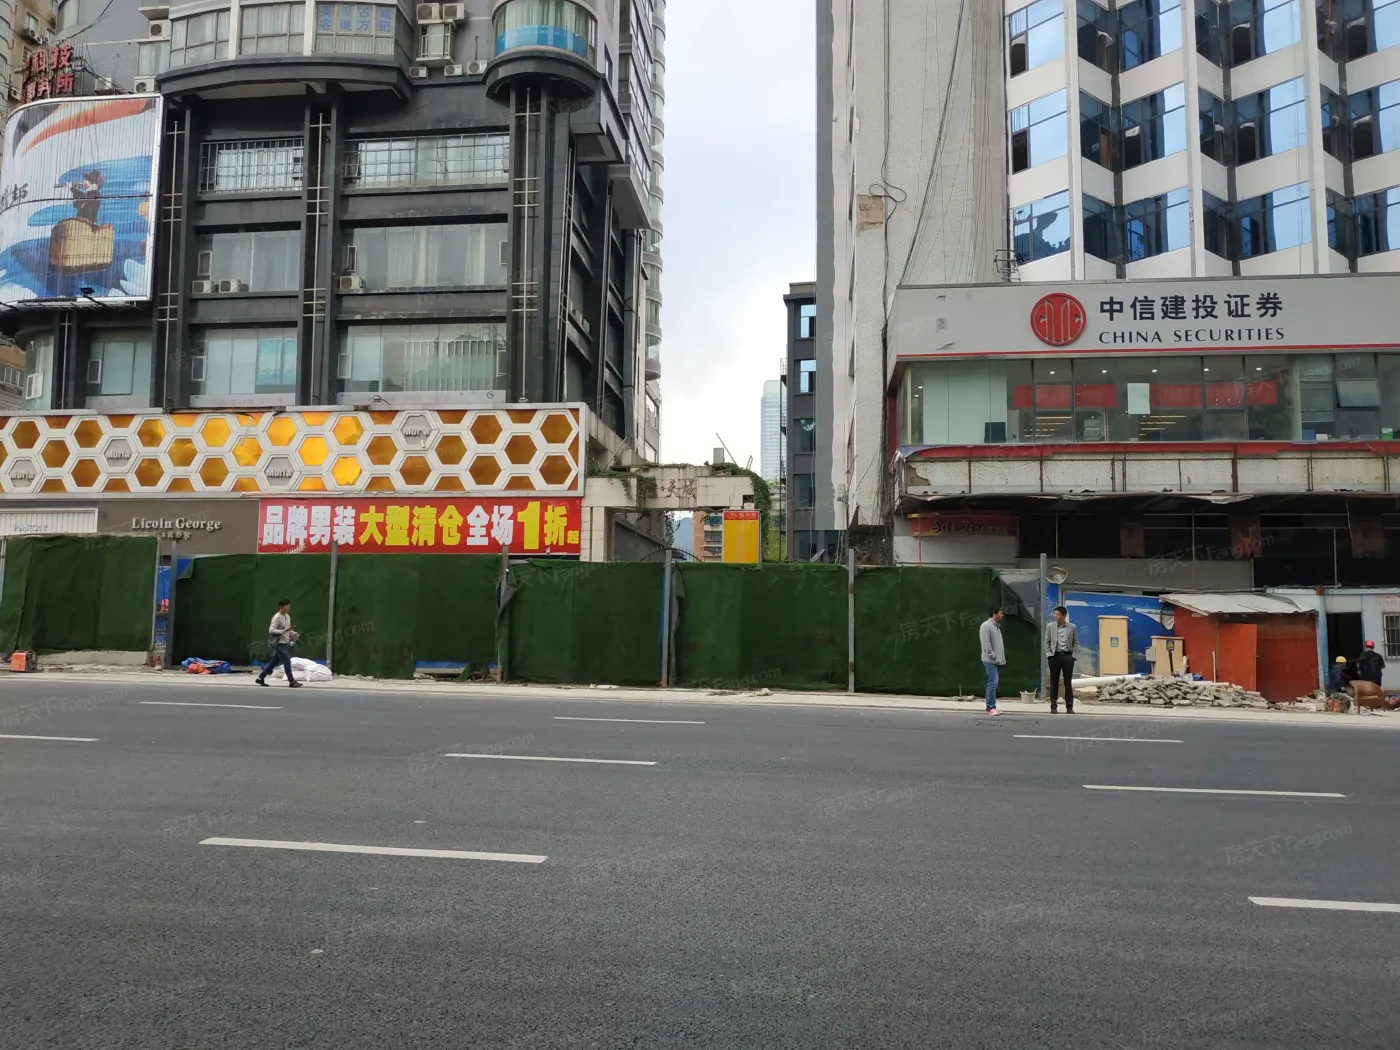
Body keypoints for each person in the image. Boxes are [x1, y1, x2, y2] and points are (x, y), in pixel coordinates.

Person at [255, 598, 301, 688]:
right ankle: (291, 681)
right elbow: (271, 630)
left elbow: (287, 630)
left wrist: (293, 633)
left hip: (285, 642)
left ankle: (260, 678)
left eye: (289, 606)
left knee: (274, 661)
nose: (288, 608)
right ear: (281, 607)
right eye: (286, 606)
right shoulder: (277, 617)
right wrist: (283, 631)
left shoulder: (287, 616)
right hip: (278, 643)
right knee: (287, 660)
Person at [1044, 605, 1078, 714]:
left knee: (1068, 682)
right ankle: (1053, 706)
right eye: (1055, 614)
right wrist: (1049, 654)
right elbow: (1046, 641)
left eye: (1058, 614)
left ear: (1064, 615)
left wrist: (1073, 656)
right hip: (1055, 656)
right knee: (1054, 682)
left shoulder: (1072, 627)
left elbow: (1075, 643)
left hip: (1067, 656)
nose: (1055, 616)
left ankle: (1069, 707)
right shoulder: (1050, 626)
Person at [979, 606, 1006, 716]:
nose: (1002, 615)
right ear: (994, 614)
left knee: (994, 684)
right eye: (1000, 613)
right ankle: (990, 707)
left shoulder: (996, 627)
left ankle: (992, 707)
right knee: (992, 684)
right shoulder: (986, 626)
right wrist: (993, 656)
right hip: (990, 661)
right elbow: (986, 644)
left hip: (997, 661)